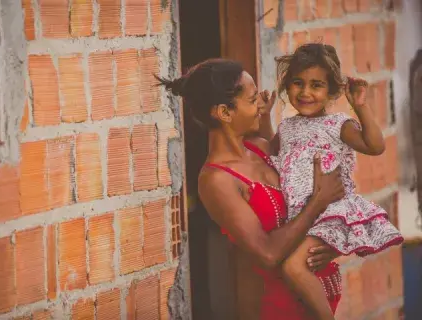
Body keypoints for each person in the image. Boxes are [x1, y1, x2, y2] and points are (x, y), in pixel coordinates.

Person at [157, 58, 345, 319]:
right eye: (252, 99)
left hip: (321, 299)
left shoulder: (261, 147)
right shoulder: (217, 180)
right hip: (282, 308)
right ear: (224, 112)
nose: (260, 105)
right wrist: (317, 202)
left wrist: (332, 246)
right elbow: (267, 253)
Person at [257, 43, 404, 319]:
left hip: (329, 214)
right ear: (287, 87)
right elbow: (270, 151)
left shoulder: (338, 125)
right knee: (292, 275)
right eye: (297, 83)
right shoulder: (287, 126)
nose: (305, 92)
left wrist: (360, 107)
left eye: (316, 85)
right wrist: (265, 115)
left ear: (332, 91)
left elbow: (374, 146)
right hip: (302, 215)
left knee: (293, 268)